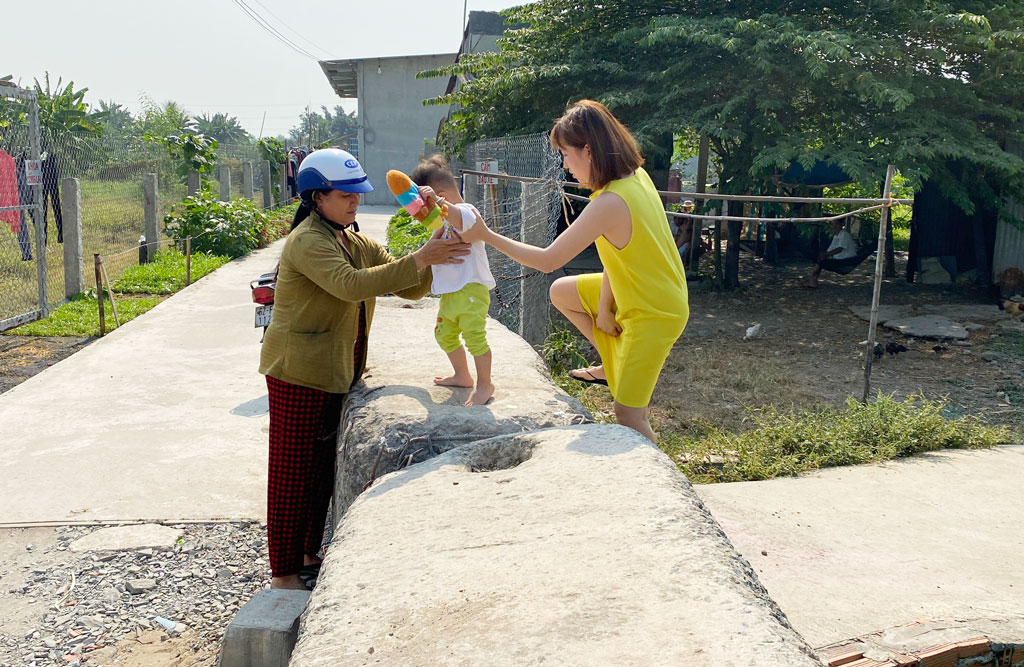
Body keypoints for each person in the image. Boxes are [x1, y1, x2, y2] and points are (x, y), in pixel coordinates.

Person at [258, 148, 470, 590]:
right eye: (345, 194)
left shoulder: (352, 240)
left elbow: (407, 286)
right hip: (298, 372)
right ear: (317, 197)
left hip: (335, 371)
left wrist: (437, 237)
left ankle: (306, 553)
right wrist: (422, 259)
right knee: (291, 473)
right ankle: (282, 575)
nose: (355, 202)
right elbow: (351, 285)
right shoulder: (309, 241)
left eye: (358, 194)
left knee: (318, 472)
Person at [457, 100, 689, 442]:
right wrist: (606, 308)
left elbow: (548, 260)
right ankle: (613, 366)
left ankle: (663, 486)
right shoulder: (634, 178)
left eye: (566, 154)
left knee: (628, 414)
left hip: (655, 312)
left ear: (589, 151)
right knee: (562, 292)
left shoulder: (608, 203)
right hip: (646, 291)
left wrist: (486, 235)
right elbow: (622, 257)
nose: (565, 165)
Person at [411, 156, 497, 406]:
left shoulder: (468, 212)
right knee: (443, 334)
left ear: (440, 195)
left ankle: (485, 383)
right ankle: (462, 375)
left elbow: (460, 219)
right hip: (451, 293)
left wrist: (438, 202)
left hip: (471, 289)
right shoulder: (445, 219)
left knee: (475, 338)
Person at [802, 219, 860, 288]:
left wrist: (826, 255)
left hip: (847, 260)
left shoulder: (844, 234)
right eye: (832, 224)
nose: (834, 226)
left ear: (842, 225)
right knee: (819, 258)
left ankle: (813, 281)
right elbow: (830, 250)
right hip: (839, 259)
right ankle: (813, 279)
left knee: (820, 260)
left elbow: (839, 249)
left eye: (837, 224)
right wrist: (823, 255)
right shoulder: (836, 236)